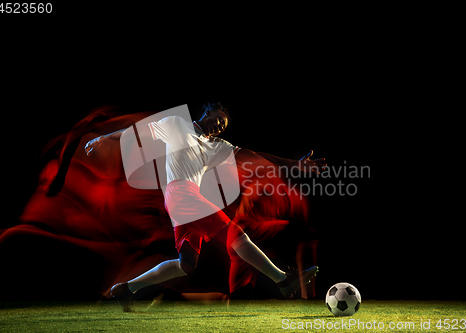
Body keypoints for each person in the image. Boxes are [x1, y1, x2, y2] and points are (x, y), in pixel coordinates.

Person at [85, 103, 324, 312]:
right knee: (235, 233)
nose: (220, 126)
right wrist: (105, 138)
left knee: (186, 265)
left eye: (224, 124)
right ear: (206, 112)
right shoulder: (176, 125)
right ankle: (283, 280)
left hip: (184, 197)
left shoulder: (217, 145)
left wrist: (293, 164)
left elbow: (252, 154)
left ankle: (126, 289)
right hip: (181, 192)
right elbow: (136, 132)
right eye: (218, 119)